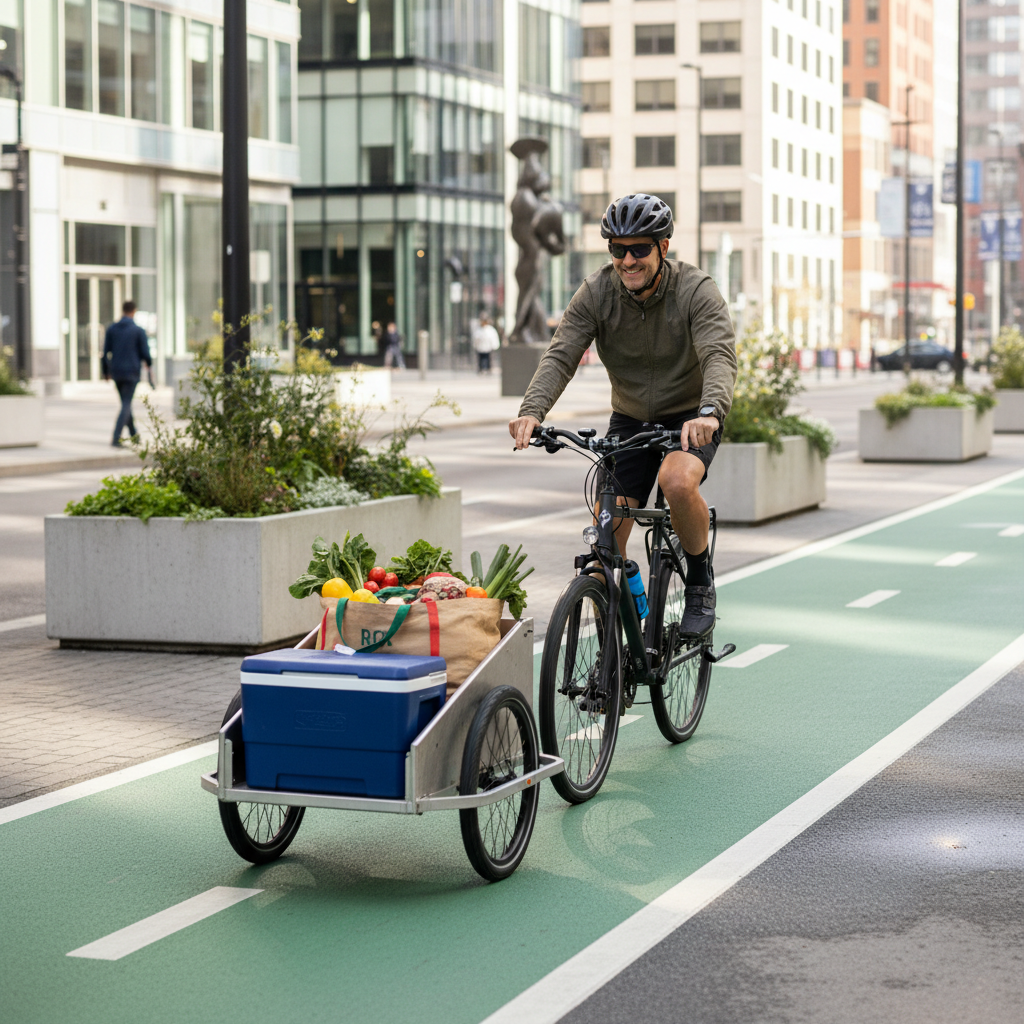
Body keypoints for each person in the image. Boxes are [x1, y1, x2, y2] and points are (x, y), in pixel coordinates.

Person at [509, 194, 737, 636]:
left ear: (663, 249)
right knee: (604, 540)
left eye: (639, 249)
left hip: (690, 416)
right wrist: (531, 411)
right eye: (617, 249)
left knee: (675, 480)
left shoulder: (695, 289)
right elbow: (562, 354)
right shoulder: (597, 292)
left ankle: (699, 580)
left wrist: (709, 411)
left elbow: (718, 355)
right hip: (630, 420)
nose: (627, 260)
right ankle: (611, 653)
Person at [102, 300, 152, 447]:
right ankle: (116, 438)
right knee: (126, 403)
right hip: (132, 372)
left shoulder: (112, 329)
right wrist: (149, 365)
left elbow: (105, 352)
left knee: (126, 403)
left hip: (117, 372)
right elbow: (145, 353)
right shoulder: (138, 330)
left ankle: (134, 436)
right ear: (134, 311)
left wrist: (106, 372)